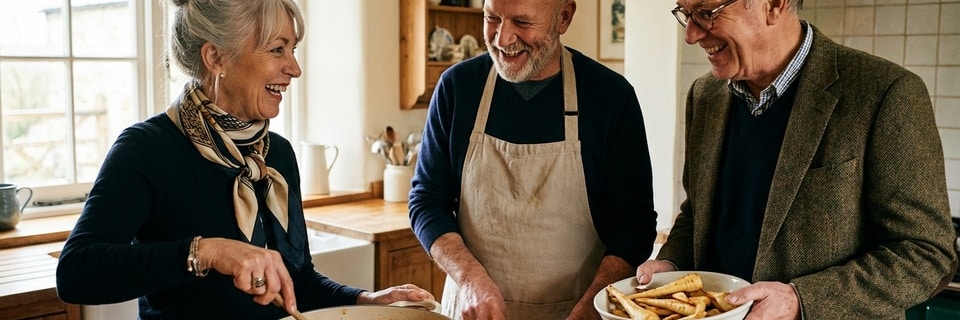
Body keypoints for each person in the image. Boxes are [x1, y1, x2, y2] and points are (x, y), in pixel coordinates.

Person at [55, 1, 433, 319]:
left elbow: (296, 282)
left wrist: (364, 300)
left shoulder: (277, 154)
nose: (295, 68)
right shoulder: (147, 149)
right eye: (277, 49)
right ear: (216, 57)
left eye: (294, 49)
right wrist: (207, 251)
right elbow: (76, 272)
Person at [636, 0, 958, 319]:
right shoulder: (703, 96)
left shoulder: (886, 93)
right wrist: (671, 265)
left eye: (707, 13)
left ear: (773, 5)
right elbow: (697, 213)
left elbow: (927, 253)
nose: (691, 34)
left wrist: (799, 301)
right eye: (686, 14)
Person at [408, 0, 658, 319]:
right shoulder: (457, 88)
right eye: (492, 18)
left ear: (564, 17)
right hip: (474, 309)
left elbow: (634, 226)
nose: (502, 38)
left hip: (577, 309)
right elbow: (426, 201)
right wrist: (469, 278)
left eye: (522, 23)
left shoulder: (610, 97)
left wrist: (594, 304)